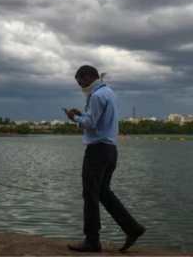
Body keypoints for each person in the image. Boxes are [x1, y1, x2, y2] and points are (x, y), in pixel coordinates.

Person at [64, 65, 145, 253]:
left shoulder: (96, 96)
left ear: (89, 77)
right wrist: (81, 114)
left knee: (90, 195)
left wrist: (73, 119)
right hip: (110, 150)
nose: (80, 86)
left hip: (97, 151)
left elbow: (91, 124)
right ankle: (132, 228)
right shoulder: (108, 92)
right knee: (103, 193)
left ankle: (92, 240)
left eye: (81, 81)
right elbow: (98, 120)